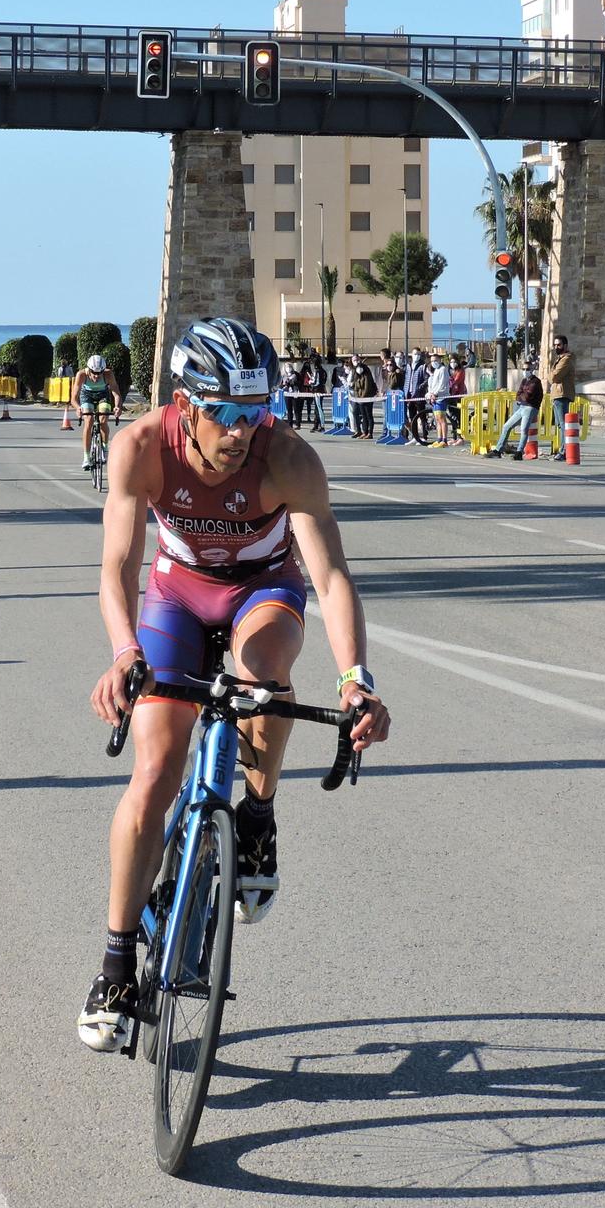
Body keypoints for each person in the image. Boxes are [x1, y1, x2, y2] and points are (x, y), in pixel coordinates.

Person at [79, 318, 391, 1052]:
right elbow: (117, 567)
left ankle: (256, 815)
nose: (243, 430)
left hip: (262, 592)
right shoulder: (137, 448)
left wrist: (355, 681)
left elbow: (330, 574)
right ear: (187, 403)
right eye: (226, 412)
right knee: (154, 771)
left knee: (262, 672)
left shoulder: (288, 460)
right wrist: (123, 653)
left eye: (257, 412)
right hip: (176, 598)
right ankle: (117, 966)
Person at [72, 352, 121, 472]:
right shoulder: (81, 375)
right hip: (86, 395)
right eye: (94, 373)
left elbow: (116, 392)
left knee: (103, 419)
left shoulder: (108, 374)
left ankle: (104, 448)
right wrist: (78, 408)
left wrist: (117, 406)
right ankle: (86, 457)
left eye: (100, 373)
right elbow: (74, 397)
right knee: (88, 420)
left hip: (103, 395)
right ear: (89, 370)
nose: (97, 376)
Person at [486, 359, 543, 457]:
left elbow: (528, 395)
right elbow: (519, 394)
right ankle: (498, 450)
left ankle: (519, 452)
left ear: (532, 369)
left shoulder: (536, 381)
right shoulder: (524, 380)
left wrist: (521, 397)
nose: (525, 371)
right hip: (522, 407)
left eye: (527, 369)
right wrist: (521, 397)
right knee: (506, 426)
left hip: (530, 408)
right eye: (523, 369)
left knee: (523, 429)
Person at [543, 334, 576, 459]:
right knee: (559, 424)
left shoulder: (566, 359)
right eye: (555, 345)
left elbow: (554, 377)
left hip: (561, 394)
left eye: (559, 345)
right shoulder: (560, 358)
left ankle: (564, 451)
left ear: (565, 345)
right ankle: (562, 449)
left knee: (563, 424)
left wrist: (550, 375)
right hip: (557, 394)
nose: (556, 347)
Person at [349, 355, 378, 438]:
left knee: (369, 415)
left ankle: (370, 433)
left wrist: (362, 397)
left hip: (367, 397)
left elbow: (367, 387)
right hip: (360, 398)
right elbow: (356, 386)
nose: (359, 370)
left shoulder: (366, 373)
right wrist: (358, 396)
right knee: (363, 415)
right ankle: (364, 432)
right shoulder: (356, 374)